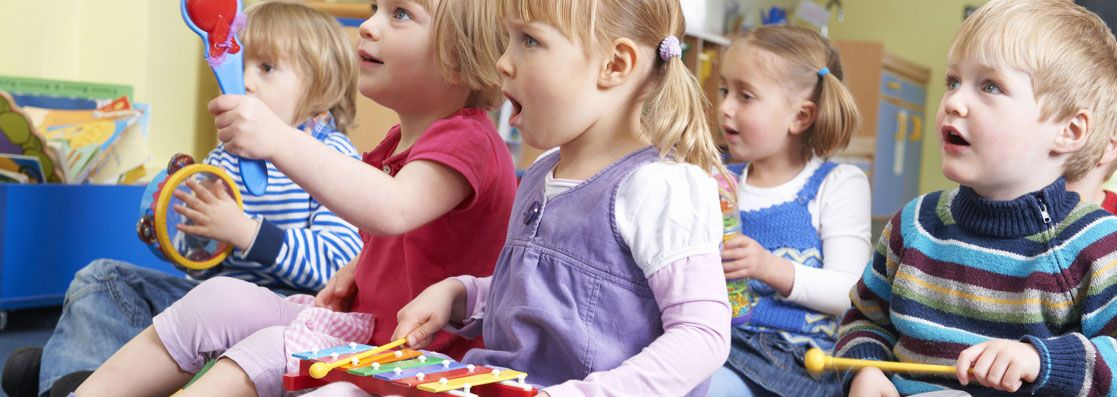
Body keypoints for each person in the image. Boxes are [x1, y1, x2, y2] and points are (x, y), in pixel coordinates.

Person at [73, 0, 516, 395]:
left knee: (271, 348)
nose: (369, 25)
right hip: (362, 332)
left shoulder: (470, 139)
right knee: (219, 297)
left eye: (400, 14)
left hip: (421, 367)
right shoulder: (398, 141)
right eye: (374, 9)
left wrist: (277, 140)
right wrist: (358, 268)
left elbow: (395, 208)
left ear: (459, 60)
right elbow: (422, 238)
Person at [0, 2, 363, 396]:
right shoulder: (228, 154)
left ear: (321, 84)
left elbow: (337, 266)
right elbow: (203, 269)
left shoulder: (333, 157)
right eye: (241, 64)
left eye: (267, 68)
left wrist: (246, 232)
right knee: (103, 277)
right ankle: (72, 378)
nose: (246, 82)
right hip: (208, 309)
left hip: (282, 317)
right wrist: (189, 236)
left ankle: (58, 373)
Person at [388, 0, 732, 395]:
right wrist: (462, 294)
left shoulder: (661, 186)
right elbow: (546, 296)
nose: (503, 62)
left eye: (529, 40)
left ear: (615, 65)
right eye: (509, 39)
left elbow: (702, 335)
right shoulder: (540, 173)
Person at [835, 1, 1117, 395]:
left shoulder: (1098, 246)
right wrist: (863, 371)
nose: (953, 102)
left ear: (1069, 131)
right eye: (953, 81)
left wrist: (1042, 360)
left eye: (990, 86)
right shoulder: (914, 224)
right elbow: (863, 321)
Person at [707, 25, 871, 397]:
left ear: (800, 116)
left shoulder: (837, 183)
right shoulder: (719, 179)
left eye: (745, 96)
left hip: (794, 359)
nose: (725, 107)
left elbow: (851, 290)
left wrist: (770, 269)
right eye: (724, 90)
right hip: (718, 340)